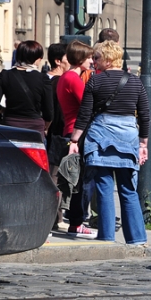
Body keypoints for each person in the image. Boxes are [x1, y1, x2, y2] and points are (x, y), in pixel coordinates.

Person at [68, 41, 150, 245]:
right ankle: (137, 238)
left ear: (108, 59)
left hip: (100, 138)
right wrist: (143, 144)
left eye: (96, 57)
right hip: (127, 138)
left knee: (104, 188)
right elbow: (145, 115)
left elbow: (84, 114)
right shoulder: (135, 82)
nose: (94, 61)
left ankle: (107, 237)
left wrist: (74, 140)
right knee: (128, 189)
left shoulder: (95, 82)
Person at [57, 39, 97, 238]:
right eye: (89, 57)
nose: (91, 61)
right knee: (81, 180)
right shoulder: (73, 79)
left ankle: (75, 221)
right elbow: (88, 104)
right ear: (80, 58)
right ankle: (77, 221)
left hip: (70, 128)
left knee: (76, 179)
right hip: (78, 132)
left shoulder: (65, 77)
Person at [0, 40, 53, 140]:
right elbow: (49, 111)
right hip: (35, 128)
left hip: (11, 125)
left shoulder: (5, 75)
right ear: (37, 59)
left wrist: (4, 110)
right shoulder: (43, 79)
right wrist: (46, 126)